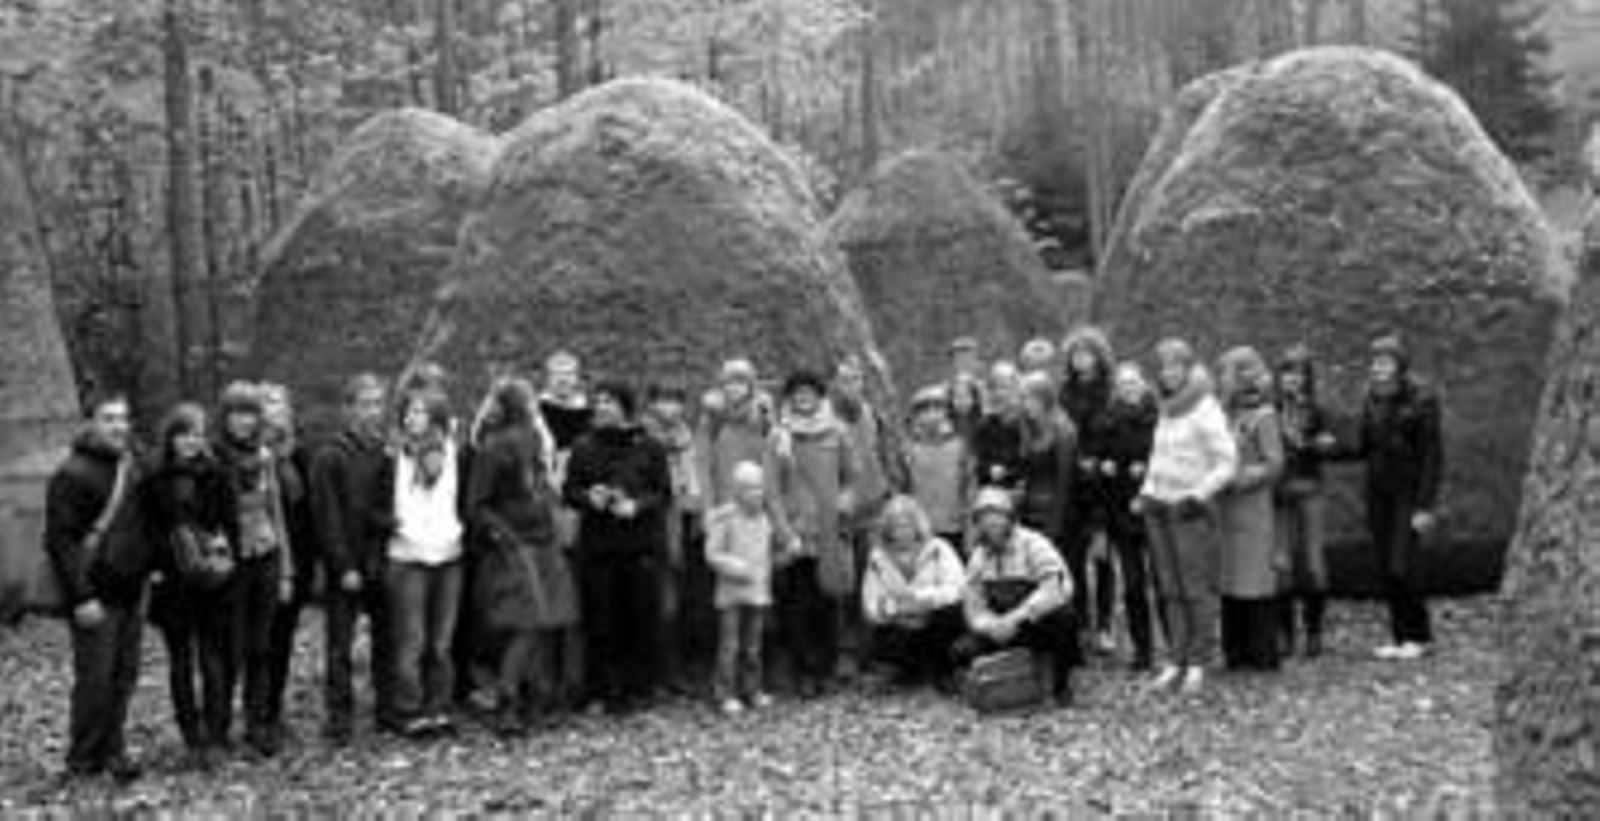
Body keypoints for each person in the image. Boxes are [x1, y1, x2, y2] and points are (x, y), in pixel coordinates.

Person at [44, 392, 148, 783]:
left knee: (124, 678)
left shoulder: (132, 466)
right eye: (109, 418)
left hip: (131, 592)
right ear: (91, 423)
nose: (119, 426)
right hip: (94, 598)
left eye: (123, 418)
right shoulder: (72, 473)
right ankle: (83, 761)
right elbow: (60, 542)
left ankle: (113, 750)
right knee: (95, 681)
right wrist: (81, 597)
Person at [467, 378, 579, 736]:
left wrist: (551, 509)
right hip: (515, 545)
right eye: (529, 400)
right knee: (526, 622)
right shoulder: (494, 447)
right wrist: (504, 537)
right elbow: (477, 505)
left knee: (546, 620)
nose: (535, 405)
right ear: (519, 405)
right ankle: (507, 700)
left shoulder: (533, 439)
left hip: (543, 540)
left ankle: (532, 696)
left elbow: (539, 485)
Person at [1329, 334, 1444, 661]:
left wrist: (1425, 506)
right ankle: (1400, 637)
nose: (1378, 368)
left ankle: (1421, 637)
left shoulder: (1422, 399)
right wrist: (1326, 449)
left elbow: (1433, 457)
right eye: (1375, 362)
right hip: (1379, 493)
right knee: (1385, 566)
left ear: (1399, 365)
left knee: (1402, 564)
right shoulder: (1371, 398)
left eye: (1385, 362)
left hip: (1409, 492)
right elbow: (1363, 447)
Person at [1135, 339, 1238, 695]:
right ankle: (1174, 659)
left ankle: (1198, 661)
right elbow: (1158, 457)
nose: (1168, 373)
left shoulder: (1205, 407)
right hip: (1158, 508)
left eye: (1175, 366)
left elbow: (1227, 462)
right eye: (1162, 367)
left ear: (1189, 367)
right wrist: (1146, 491)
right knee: (1169, 589)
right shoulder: (1165, 408)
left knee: (1196, 590)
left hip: (1189, 510)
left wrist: (1198, 495)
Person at [564, 381, 672, 714]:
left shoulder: (650, 446)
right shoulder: (583, 446)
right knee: (600, 621)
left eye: (608, 401)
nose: (601, 407)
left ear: (625, 406)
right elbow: (569, 490)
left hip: (639, 547)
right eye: (597, 402)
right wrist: (589, 497)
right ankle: (599, 690)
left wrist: (636, 506)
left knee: (638, 620)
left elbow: (663, 493)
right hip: (598, 548)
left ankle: (635, 688)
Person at [142, 404, 238, 769]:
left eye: (197, 434)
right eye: (183, 434)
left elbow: (232, 527)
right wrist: (155, 567)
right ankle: (191, 736)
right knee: (180, 661)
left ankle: (217, 733)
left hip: (213, 581)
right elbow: (146, 531)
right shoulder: (153, 479)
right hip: (172, 584)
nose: (190, 441)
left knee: (213, 658)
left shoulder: (217, 475)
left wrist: (225, 560)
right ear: (171, 438)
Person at [213, 382, 295, 757]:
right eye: (236, 413)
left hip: (265, 556)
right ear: (224, 417)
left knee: (261, 647)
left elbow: (276, 512)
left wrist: (286, 571)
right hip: (230, 563)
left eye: (249, 413)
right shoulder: (213, 458)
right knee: (230, 647)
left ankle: (258, 724)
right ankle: (218, 727)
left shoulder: (264, 457)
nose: (243, 421)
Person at [312, 373, 395, 743]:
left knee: (386, 640)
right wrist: (343, 565)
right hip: (344, 564)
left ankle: (387, 710)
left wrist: (388, 526)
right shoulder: (330, 455)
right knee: (340, 645)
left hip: (378, 559)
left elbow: (381, 509)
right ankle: (340, 717)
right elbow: (326, 516)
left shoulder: (382, 452)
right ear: (348, 409)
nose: (372, 411)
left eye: (378, 404)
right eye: (365, 404)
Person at [770, 369, 859, 697]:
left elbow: (851, 477)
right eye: (797, 392)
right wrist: (783, 532)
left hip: (830, 530)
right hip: (795, 532)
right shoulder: (779, 436)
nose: (803, 397)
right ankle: (804, 670)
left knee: (828, 600)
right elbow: (772, 490)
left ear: (820, 396)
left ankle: (826, 666)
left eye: (809, 391)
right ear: (789, 397)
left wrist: (846, 501)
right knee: (796, 603)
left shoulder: (838, 432)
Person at [384, 388, 467, 737]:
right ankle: (409, 709)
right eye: (408, 412)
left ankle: (439, 707)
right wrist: (396, 526)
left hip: (448, 554)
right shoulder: (392, 454)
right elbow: (382, 502)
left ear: (436, 418)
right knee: (412, 640)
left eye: (419, 412)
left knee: (442, 642)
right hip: (408, 555)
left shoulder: (451, 453)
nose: (410, 418)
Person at [953, 488, 1076, 706]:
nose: (992, 524)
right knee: (961, 651)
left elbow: (1057, 589)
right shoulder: (977, 558)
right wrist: (992, 626)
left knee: (1065, 618)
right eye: (984, 519)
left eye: (997, 516)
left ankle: (1060, 685)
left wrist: (1017, 618)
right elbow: (973, 608)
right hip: (1001, 627)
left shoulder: (1034, 544)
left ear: (1010, 517)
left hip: (1034, 620)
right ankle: (1009, 673)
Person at [1216, 347, 1286, 672]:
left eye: (1227, 374)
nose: (1223, 380)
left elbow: (1274, 464)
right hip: (1226, 509)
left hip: (1253, 508)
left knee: (1255, 580)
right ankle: (1236, 652)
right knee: (1230, 580)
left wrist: (1241, 478)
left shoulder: (1265, 415)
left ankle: (1262, 653)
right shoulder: (1226, 414)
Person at [258, 383, 317, 747]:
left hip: (298, 561)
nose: (272, 410)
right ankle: (256, 713)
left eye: (278, 402)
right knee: (257, 641)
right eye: (265, 403)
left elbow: (312, 510)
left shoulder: (301, 455)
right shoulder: (250, 455)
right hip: (261, 561)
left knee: (281, 640)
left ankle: (273, 711)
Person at [642, 385, 711, 694]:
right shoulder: (643, 441)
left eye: (675, 401)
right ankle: (660, 672)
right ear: (652, 405)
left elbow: (700, 481)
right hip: (656, 530)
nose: (670, 407)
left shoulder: (690, 439)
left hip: (689, 526)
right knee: (663, 606)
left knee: (687, 602)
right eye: (663, 401)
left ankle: (683, 669)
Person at [860, 496, 966, 690]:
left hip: (933, 617)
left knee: (950, 615)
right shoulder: (877, 556)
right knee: (883, 635)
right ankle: (900, 672)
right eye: (895, 527)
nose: (901, 532)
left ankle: (944, 673)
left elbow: (958, 588)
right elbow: (871, 604)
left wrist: (922, 599)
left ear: (918, 525)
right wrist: (896, 610)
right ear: (887, 530)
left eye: (906, 525)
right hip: (899, 622)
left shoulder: (939, 548)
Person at [703, 461, 779, 715]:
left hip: (757, 593)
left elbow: (768, 555)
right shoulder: (725, 518)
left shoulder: (766, 519)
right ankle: (724, 692)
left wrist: (785, 555)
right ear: (736, 491)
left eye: (759, 487)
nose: (755, 493)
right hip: (731, 594)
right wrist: (735, 566)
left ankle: (752, 688)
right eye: (748, 488)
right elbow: (712, 554)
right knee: (730, 645)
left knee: (753, 645)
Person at [1097, 363, 1159, 670]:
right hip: (1121, 513)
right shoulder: (1108, 421)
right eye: (1123, 385)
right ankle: (1143, 649)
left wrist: (1147, 471)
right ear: (1116, 391)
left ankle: (1175, 647)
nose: (1128, 388)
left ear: (1143, 384)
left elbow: (1168, 459)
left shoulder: (1157, 418)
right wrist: (1104, 467)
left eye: (1133, 383)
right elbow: (1100, 460)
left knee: (1162, 583)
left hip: (1154, 510)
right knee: (1133, 586)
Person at [1060, 327, 1118, 655]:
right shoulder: (1064, 392)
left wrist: (1100, 460)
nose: (1081, 359)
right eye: (1075, 353)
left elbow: (1114, 431)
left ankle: (1106, 625)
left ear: (1098, 355)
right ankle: (1082, 622)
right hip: (1073, 485)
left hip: (1105, 486)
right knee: (1075, 558)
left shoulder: (1110, 391)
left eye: (1087, 353)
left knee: (1103, 557)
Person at [1273, 345, 1333, 657]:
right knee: (1281, 564)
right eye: (1287, 373)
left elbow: (1329, 444)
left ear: (1307, 378)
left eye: (1298, 374)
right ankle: (1285, 635)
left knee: (1313, 565)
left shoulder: (1317, 410)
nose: (1292, 379)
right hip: (1279, 494)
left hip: (1309, 489)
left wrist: (1318, 444)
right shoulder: (1270, 408)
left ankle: (1314, 632)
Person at [1015, 372, 1080, 615]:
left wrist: (1054, 527)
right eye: (1022, 398)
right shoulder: (1028, 428)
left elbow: (1065, 484)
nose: (1025, 404)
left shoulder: (1064, 431)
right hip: (1030, 515)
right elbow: (1028, 473)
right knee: (1036, 580)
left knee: (1060, 580)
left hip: (1057, 518)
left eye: (1031, 398)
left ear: (1045, 398)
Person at [696, 358, 777, 512]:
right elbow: (703, 464)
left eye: (740, 382)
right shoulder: (712, 417)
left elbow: (772, 463)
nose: (733, 388)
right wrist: (708, 507)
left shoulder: (763, 416)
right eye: (728, 382)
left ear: (750, 386)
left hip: (758, 505)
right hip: (723, 504)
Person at [904, 385, 972, 551]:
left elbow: (968, 488)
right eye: (924, 409)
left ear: (946, 412)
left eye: (937, 407)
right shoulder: (909, 449)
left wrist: (969, 528)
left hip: (954, 529)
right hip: (920, 528)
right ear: (916, 416)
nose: (931, 414)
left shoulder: (960, 446)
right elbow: (904, 488)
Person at [970, 361, 1027, 493]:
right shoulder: (984, 426)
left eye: (1005, 387)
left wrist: (1008, 472)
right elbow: (977, 462)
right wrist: (988, 469)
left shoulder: (1025, 423)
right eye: (995, 388)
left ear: (1016, 389)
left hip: (1020, 493)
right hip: (989, 495)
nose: (1000, 393)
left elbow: (1030, 462)